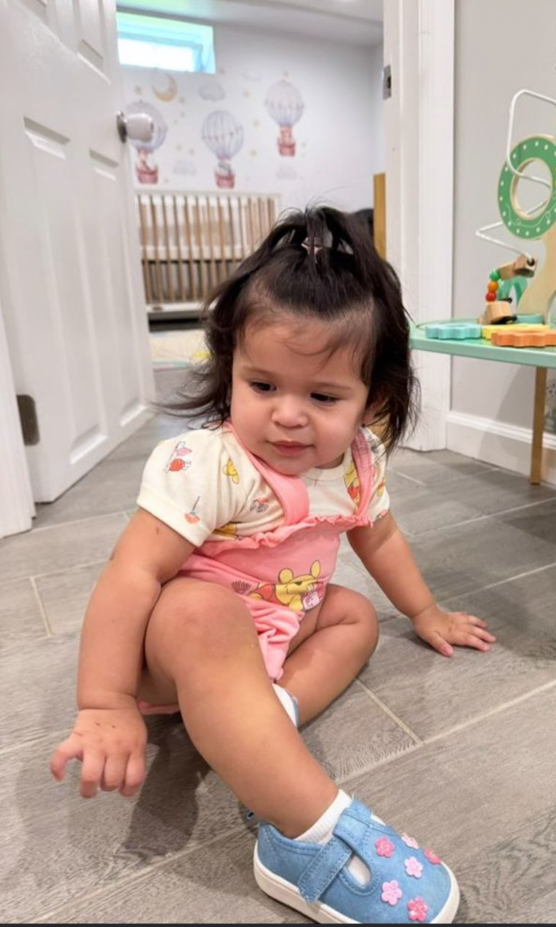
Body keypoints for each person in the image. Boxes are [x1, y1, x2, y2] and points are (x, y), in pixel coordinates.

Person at [50, 206, 495, 924]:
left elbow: (378, 540)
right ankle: (300, 828)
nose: (287, 415)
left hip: (272, 631)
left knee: (353, 615)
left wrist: (423, 610)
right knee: (201, 607)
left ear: (370, 401)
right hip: (175, 649)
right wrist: (103, 702)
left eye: (321, 397)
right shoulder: (210, 463)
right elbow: (131, 573)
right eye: (263, 386)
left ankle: (259, 721)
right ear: (232, 373)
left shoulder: (357, 462)